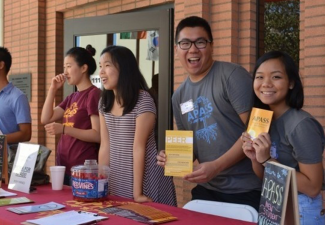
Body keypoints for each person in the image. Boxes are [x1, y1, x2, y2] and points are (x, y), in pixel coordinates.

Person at [157, 16, 262, 210]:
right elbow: (192, 149)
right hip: (207, 188)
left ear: (211, 46)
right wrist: (172, 157)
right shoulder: (178, 97)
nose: (193, 49)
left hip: (245, 190)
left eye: (200, 42)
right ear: (176, 49)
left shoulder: (231, 75)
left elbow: (256, 130)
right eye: (185, 43)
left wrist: (216, 166)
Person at [241, 50, 325, 224]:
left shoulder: (301, 125)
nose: (266, 84)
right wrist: (255, 158)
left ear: (292, 83)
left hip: (301, 209)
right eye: (259, 77)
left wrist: (267, 161)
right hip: (274, 204)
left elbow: (313, 187)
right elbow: (266, 177)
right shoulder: (264, 121)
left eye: (276, 77)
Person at [98, 45, 177, 206]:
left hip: (145, 179)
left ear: (124, 69)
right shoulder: (104, 102)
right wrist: (101, 183)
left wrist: (137, 193)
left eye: (107, 65)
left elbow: (138, 147)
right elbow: (105, 146)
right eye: (100, 66)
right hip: (118, 177)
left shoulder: (143, 100)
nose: (101, 72)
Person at [41, 45, 101, 185]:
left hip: (83, 169)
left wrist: (63, 129)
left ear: (83, 68)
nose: (65, 72)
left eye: (68, 66)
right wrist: (52, 89)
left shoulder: (93, 94)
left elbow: (97, 135)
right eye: (64, 67)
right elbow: (45, 118)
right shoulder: (72, 97)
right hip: (64, 167)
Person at [0, 47, 31, 171]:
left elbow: (26, 134)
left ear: (1, 65)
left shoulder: (18, 97)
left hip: (9, 165)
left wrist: (1, 140)